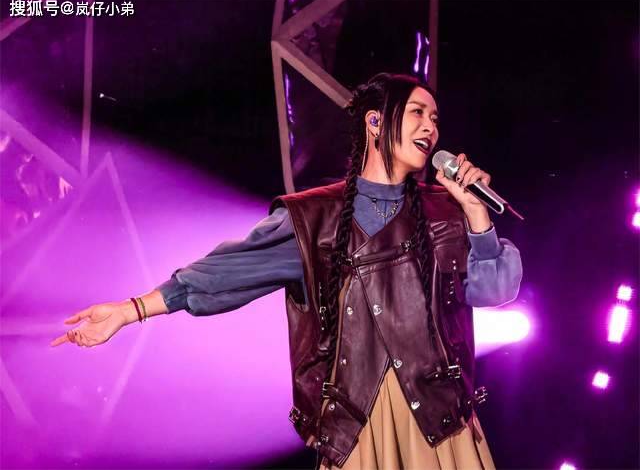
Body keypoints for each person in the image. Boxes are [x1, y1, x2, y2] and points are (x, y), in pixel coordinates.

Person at [51, 73, 522, 470]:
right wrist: (130, 310)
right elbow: (225, 273)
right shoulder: (314, 217)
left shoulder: (445, 211)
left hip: (441, 423)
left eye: (435, 118)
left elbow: (495, 289)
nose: (431, 127)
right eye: (418, 112)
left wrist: (476, 214)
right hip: (360, 426)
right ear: (375, 121)